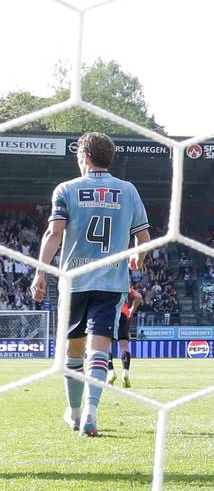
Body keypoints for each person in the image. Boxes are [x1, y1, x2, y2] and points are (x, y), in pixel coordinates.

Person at [30, 132, 150, 437]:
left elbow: (54, 234)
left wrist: (40, 273)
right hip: (111, 281)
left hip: (74, 281)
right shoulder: (128, 190)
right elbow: (144, 238)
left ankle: (73, 413)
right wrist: (137, 258)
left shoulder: (66, 189)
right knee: (99, 349)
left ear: (84, 156)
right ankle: (91, 413)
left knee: (73, 351)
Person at [107, 285, 143, 387]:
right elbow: (138, 297)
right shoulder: (125, 284)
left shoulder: (106, 282)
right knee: (124, 347)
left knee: (104, 346)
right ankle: (125, 373)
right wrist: (131, 310)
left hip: (109, 314)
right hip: (123, 314)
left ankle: (111, 372)